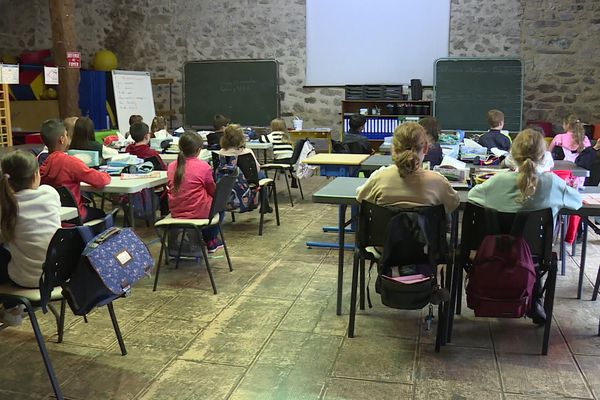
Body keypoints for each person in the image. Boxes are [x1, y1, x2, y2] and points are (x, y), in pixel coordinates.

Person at [468, 128, 582, 324]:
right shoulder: (552, 182)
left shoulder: (498, 181)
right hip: (536, 253)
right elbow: (577, 202)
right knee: (531, 253)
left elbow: (472, 197)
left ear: (513, 154)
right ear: (545, 156)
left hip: (495, 252)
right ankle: (534, 298)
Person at [0, 150, 61, 325]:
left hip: (25, 279)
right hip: (59, 274)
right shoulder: (50, 194)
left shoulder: (6, 207)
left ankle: (11, 308)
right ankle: (14, 308)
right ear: (36, 175)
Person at [357, 122, 459, 214]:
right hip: (425, 234)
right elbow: (453, 204)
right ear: (426, 148)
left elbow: (361, 198)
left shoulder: (379, 177)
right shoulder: (438, 181)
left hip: (386, 234)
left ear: (393, 149)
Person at [39, 119, 110, 222]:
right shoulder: (70, 162)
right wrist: (106, 174)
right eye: (67, 135)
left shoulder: (42, 165)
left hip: (55, 216)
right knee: (102, 214)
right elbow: (100, 181)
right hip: (77, 214)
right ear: (62, 139)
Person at [167, 131, 223, 253]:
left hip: (176, 212)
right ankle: (210, 239)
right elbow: (213, 191)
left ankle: (199, 238)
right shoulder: (204, 167)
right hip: (198, 212)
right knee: (220, 205)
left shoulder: (171, 166)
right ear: (199, 150)